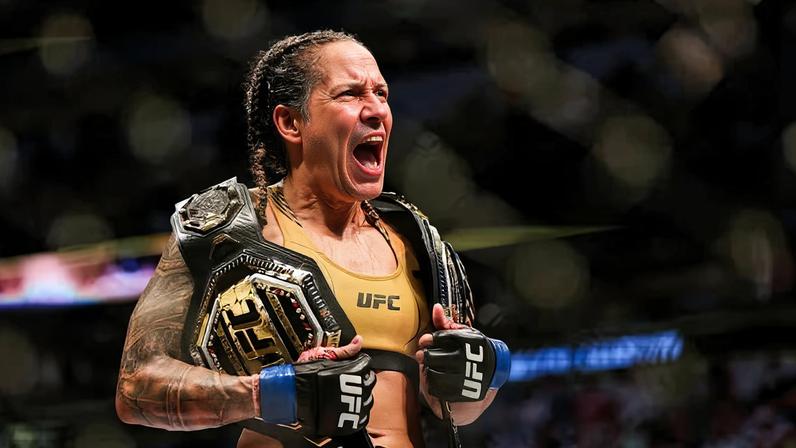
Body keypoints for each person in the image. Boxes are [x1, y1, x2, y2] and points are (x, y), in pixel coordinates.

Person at [115, 30, 510, 448]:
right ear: (290, 122)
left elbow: (459, 408)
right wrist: (270, 393)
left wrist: (478, 378)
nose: (377, 109)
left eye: (381, 92)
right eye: (350, 94)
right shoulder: (223, 230)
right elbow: (136, 387)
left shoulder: (417, 238)